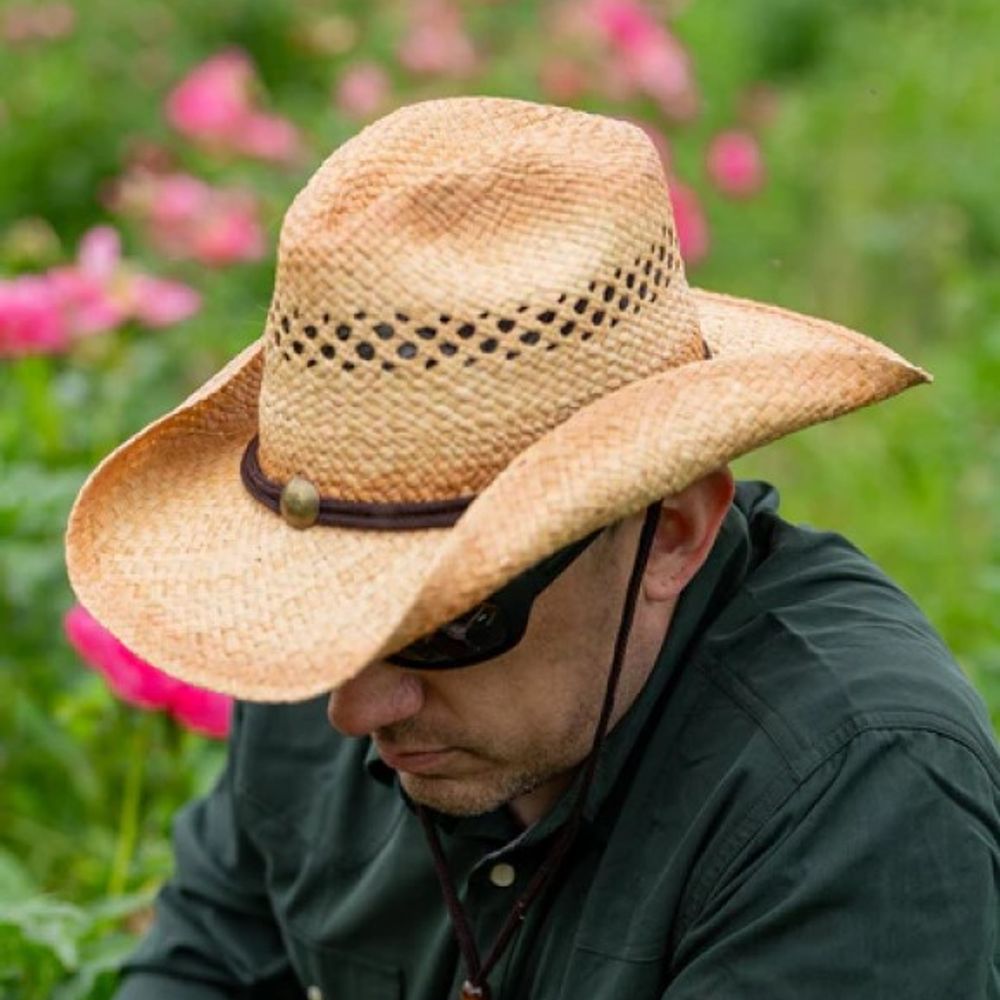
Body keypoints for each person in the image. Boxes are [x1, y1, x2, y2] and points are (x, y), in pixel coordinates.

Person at [65, 97, 1000, 1000]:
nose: (350, 707)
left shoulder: (848, 789)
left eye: (446, 618)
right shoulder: (327, 675)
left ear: (670, 530)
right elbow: (199, 966)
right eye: (332, 612)